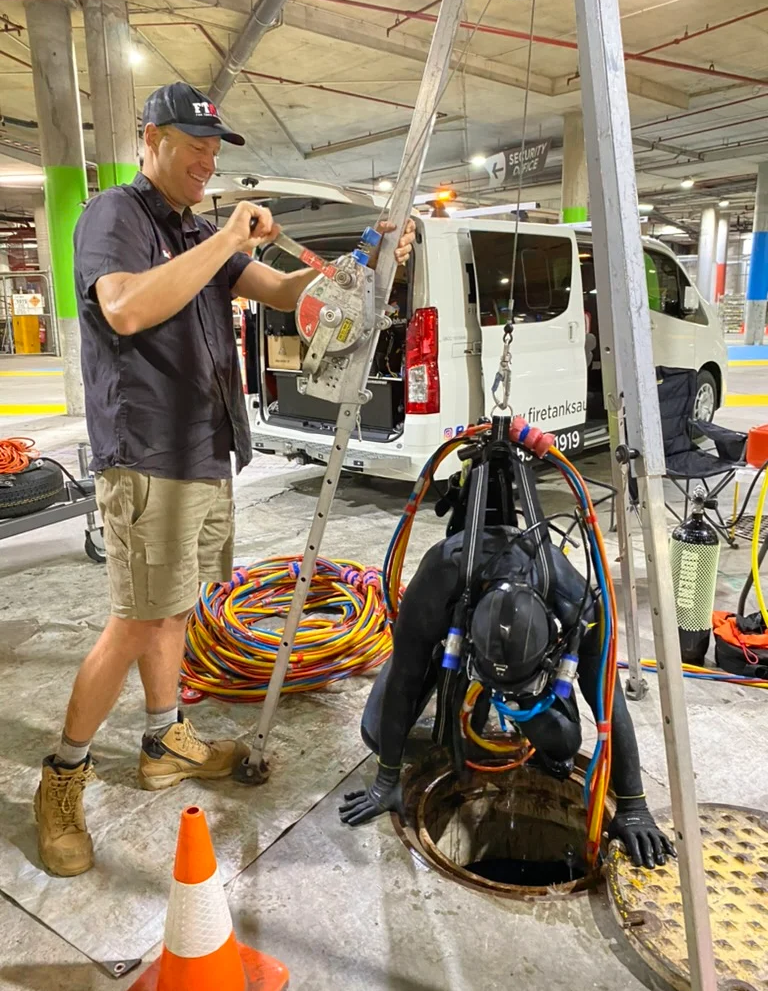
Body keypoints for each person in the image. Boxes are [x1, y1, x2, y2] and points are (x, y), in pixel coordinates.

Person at [35, 81, 415, 878]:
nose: (207, 160)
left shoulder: (196, 230)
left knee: (171, 611)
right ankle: (63, 776)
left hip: (205, 450)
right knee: (136, 620)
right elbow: (127, 308)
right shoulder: (118, 216)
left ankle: (164, 738)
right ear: (151, 140)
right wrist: (223, 238)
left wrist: (361, 259)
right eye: (192, 144)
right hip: (146, 455)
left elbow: (279, 289)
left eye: (214, 148)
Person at [340, 519, 675, 872]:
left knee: (560, 750)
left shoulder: (579, 607)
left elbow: (609, 702)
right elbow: (403, 680)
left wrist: (633, 806)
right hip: (451, 632)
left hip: (533, 669)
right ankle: (465, 684)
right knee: (377, 733)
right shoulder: (436, 585)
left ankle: (529, 705)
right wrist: (387, 779)